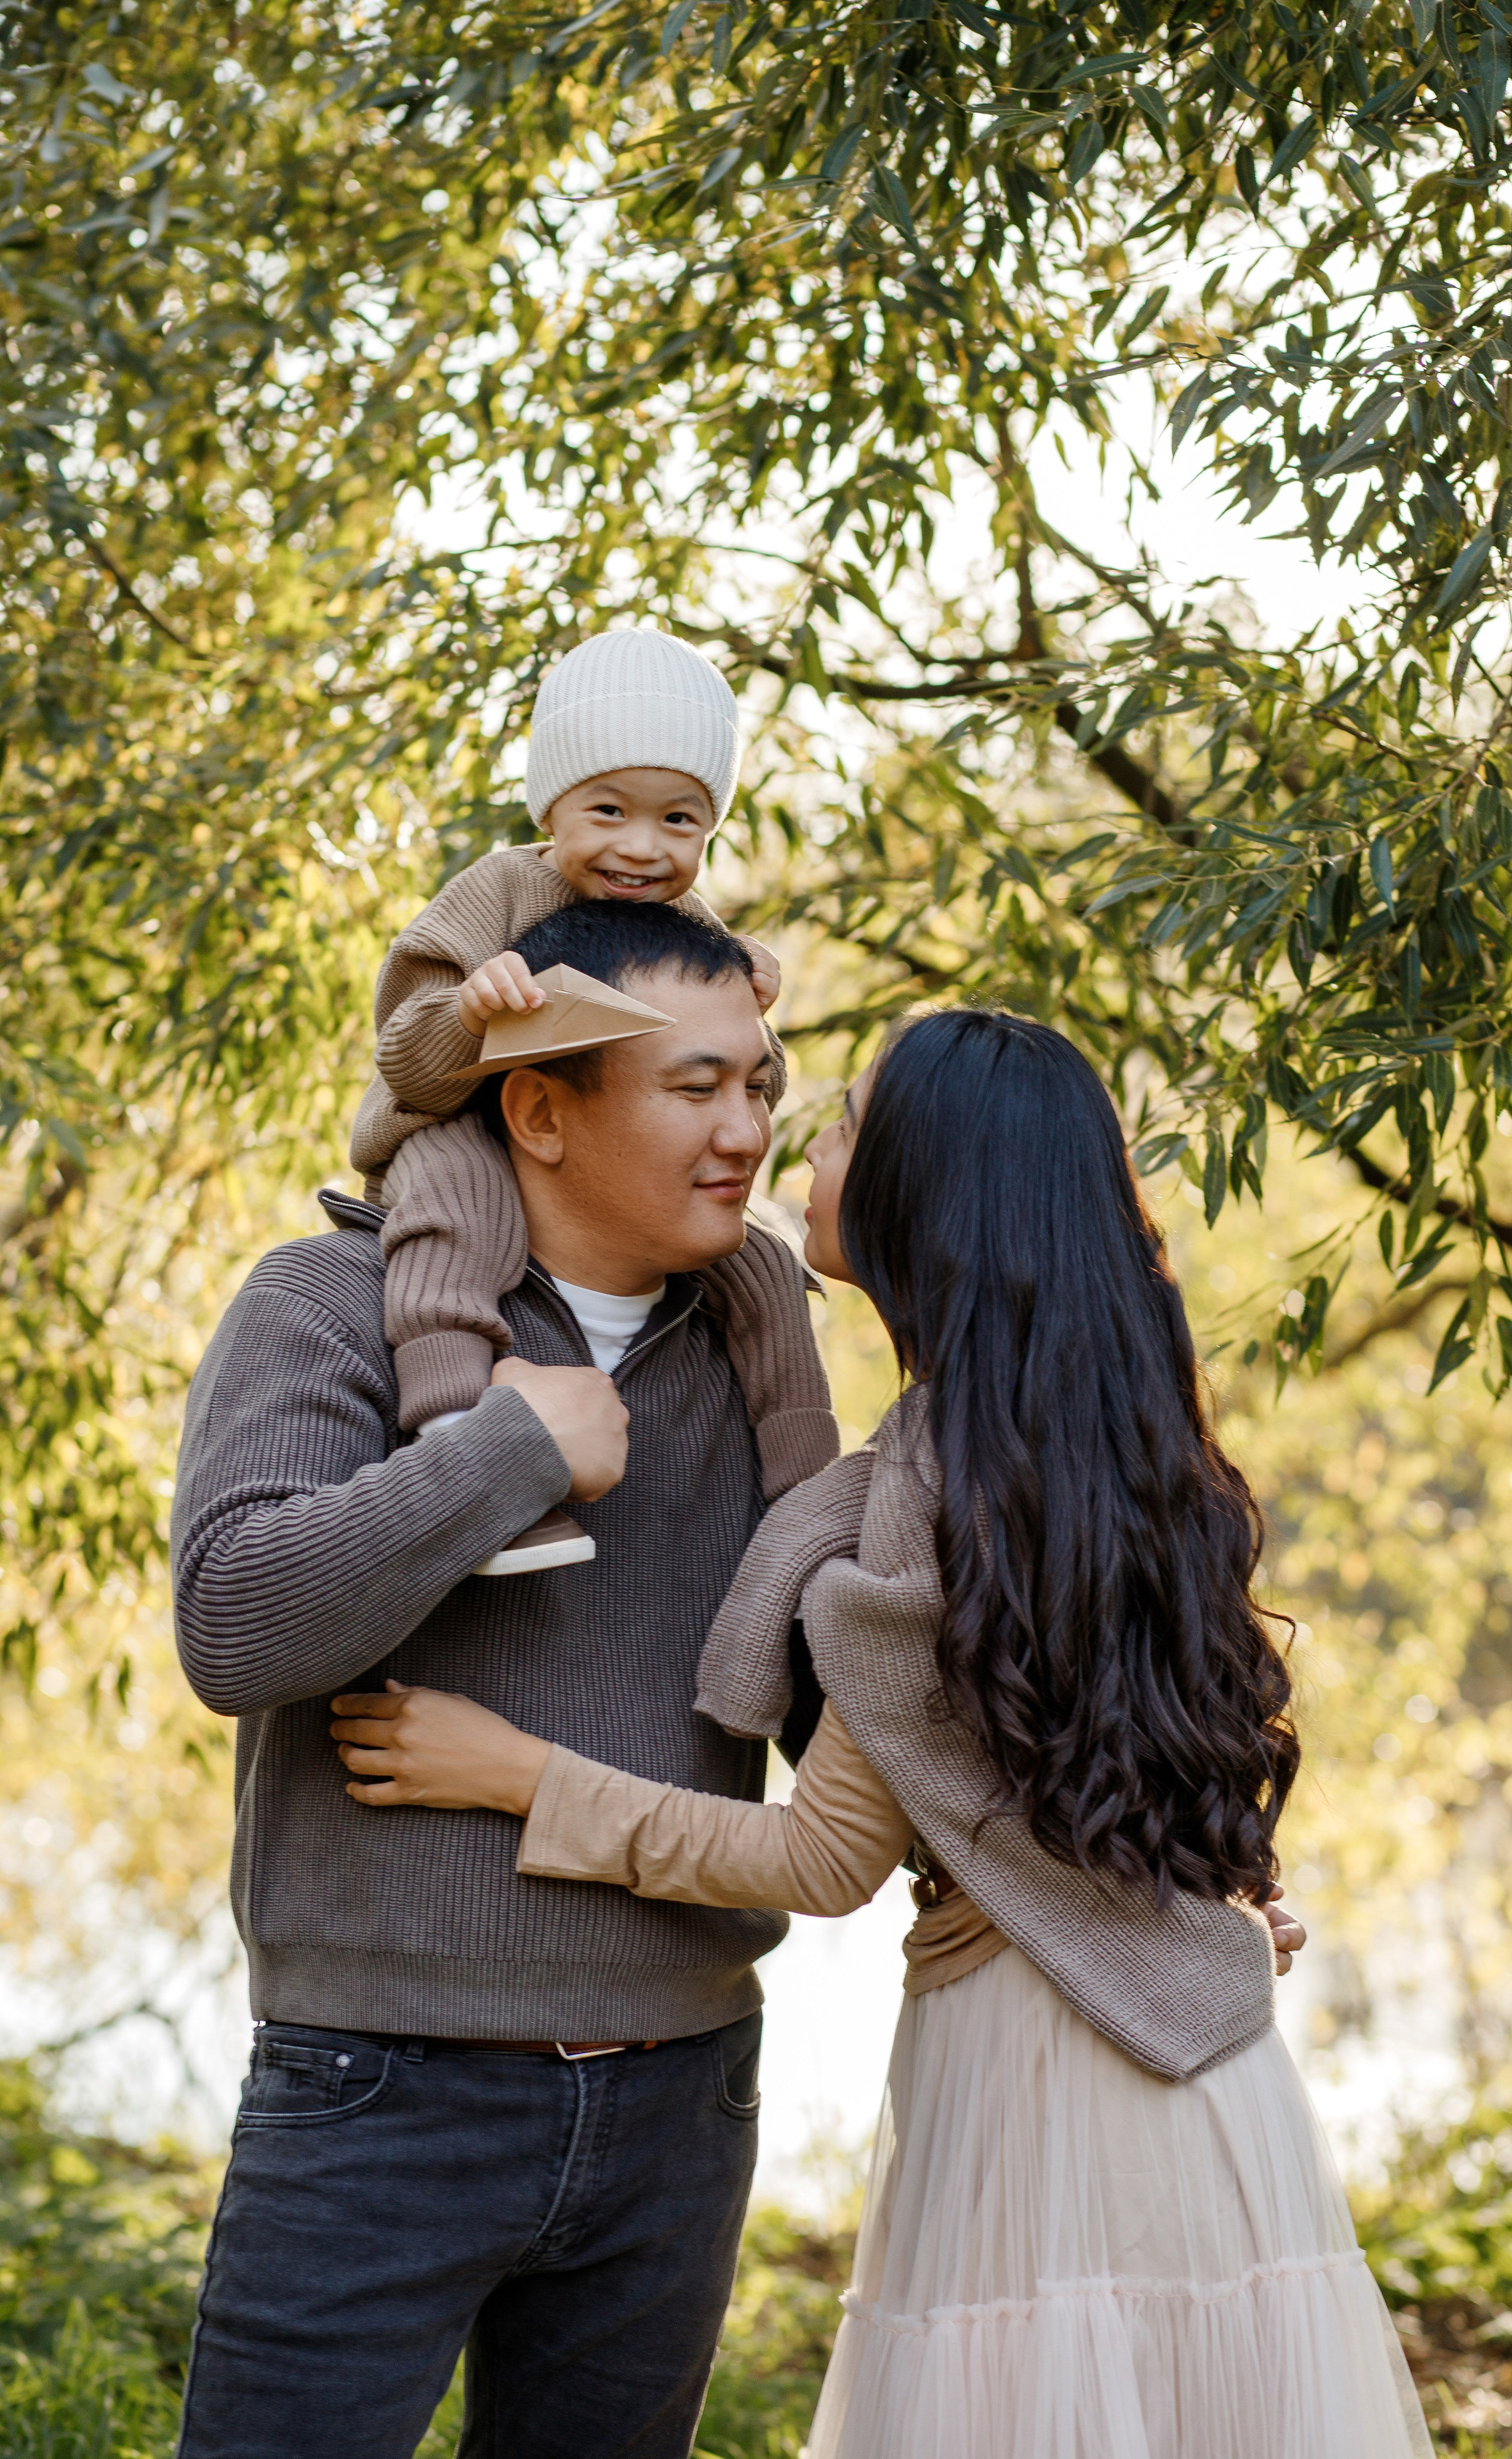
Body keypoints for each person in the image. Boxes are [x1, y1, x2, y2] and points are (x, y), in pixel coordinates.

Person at [332, 1010, 1435, 2459]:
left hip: (1049, 2082)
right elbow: (1119, 1752)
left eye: (843, 1123)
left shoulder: (931, 1482)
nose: (796, 1144)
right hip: (1211, 2089)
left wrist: (516, 1773)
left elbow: (823, 1858)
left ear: (927, 1192)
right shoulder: (1121, 1443)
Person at [170, 901, 833, 2459]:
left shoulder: (753, 1352)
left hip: (682, 2097)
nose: (744, 1131)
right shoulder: (322, 1304)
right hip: (379, 2088)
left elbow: (847, 1707)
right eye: (694, 1087)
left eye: (758, 1085)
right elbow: (236, 1629)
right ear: (538, 1109)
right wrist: (509, 1451)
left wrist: (1145, 1862)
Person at [352, 626, 836, 1550]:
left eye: (680, 821)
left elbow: (744, 1077)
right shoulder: (496, 893)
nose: (642, 848)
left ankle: (808, 1505)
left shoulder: (687, 924)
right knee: (460, 1215)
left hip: (600, 1165)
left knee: (770, 1266)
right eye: (609, 811)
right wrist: (469, 1011)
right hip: (453, 1122)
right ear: (552, 804)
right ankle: (456, 1429)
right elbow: (403, 1058)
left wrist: (748, 1015)